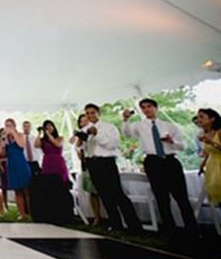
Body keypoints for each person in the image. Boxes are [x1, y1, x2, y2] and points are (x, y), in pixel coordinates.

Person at [122, 99, 199, 239]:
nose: (146, 110)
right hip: (153, 162)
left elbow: (182, 146)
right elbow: (127, 134)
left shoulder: (169, 126)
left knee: (181, 197)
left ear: (156, 108)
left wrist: (171, 142)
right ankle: (170, 231)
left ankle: (193, 230)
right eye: (143, 107)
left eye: (149, 106)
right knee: (161, 198)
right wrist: (126, 120)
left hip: (170, 161)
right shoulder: (139, 125)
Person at [82, 103, 142, 233]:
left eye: (92, 112)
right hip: (92, 163)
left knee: (117, 193)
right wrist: (83, 141)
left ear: (98, 113)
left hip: (106, 162)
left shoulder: (108, 127)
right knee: (104, 195)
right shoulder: (86, 129)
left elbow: (112, 145)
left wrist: (97, 134)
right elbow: (87, 148)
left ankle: (134, 225)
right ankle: (115, 223)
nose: (90, 115)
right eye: (87, 113)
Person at [71, 113, 101, 225]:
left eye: (85, 120)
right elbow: (78, 149)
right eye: (81, 121)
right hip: (86, 163)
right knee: (92, 191)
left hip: (98, 160)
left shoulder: (96, 130)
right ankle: (96, 216)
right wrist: (79, 136)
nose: (84, 123)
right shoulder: (80, 135)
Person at [4, 118, 32, 219]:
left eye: (10, 125)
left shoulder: (20, 135)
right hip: (11, 165)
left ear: (14, 126)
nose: (8, 127)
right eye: (6, 125)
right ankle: (22, 213)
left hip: (20, 163)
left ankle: (31, 212)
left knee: (26, 189)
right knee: (17, 190)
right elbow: (3, 153)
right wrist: (3, 141)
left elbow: (21, 145)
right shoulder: (6, 138)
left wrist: (13, 133)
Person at [196, 108, 221, 206]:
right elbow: (209, 153)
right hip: (212, 167)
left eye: (201, 117)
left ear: (212, 119)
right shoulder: (205, 134)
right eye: (198, 117)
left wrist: (211, 142)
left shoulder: (219, 132)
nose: (198, 120)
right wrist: (202, 165)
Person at [36, 119, 71, 185]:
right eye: (46, 127)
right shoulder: (43, 140)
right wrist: (39, 133)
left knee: (61, 180)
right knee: (49, 182)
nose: (48, 128)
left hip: (58, 161)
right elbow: (36, 145)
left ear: (54, 127)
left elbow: (57, 144)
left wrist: (48, 134)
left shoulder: (60, 138)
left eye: (50, 126)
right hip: (47, 162)